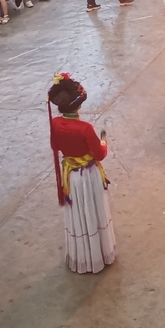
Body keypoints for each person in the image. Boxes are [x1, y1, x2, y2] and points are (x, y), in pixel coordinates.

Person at [48, 73, 116, 274]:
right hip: (89, 176)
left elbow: (55, 146)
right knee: (94, 212)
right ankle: (100, 255)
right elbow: (100, 155)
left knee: (79, 215)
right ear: (78, 106)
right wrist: (104, 142)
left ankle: (82, 257)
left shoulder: (54, 123)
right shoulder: (85, 128)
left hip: (72, 178)